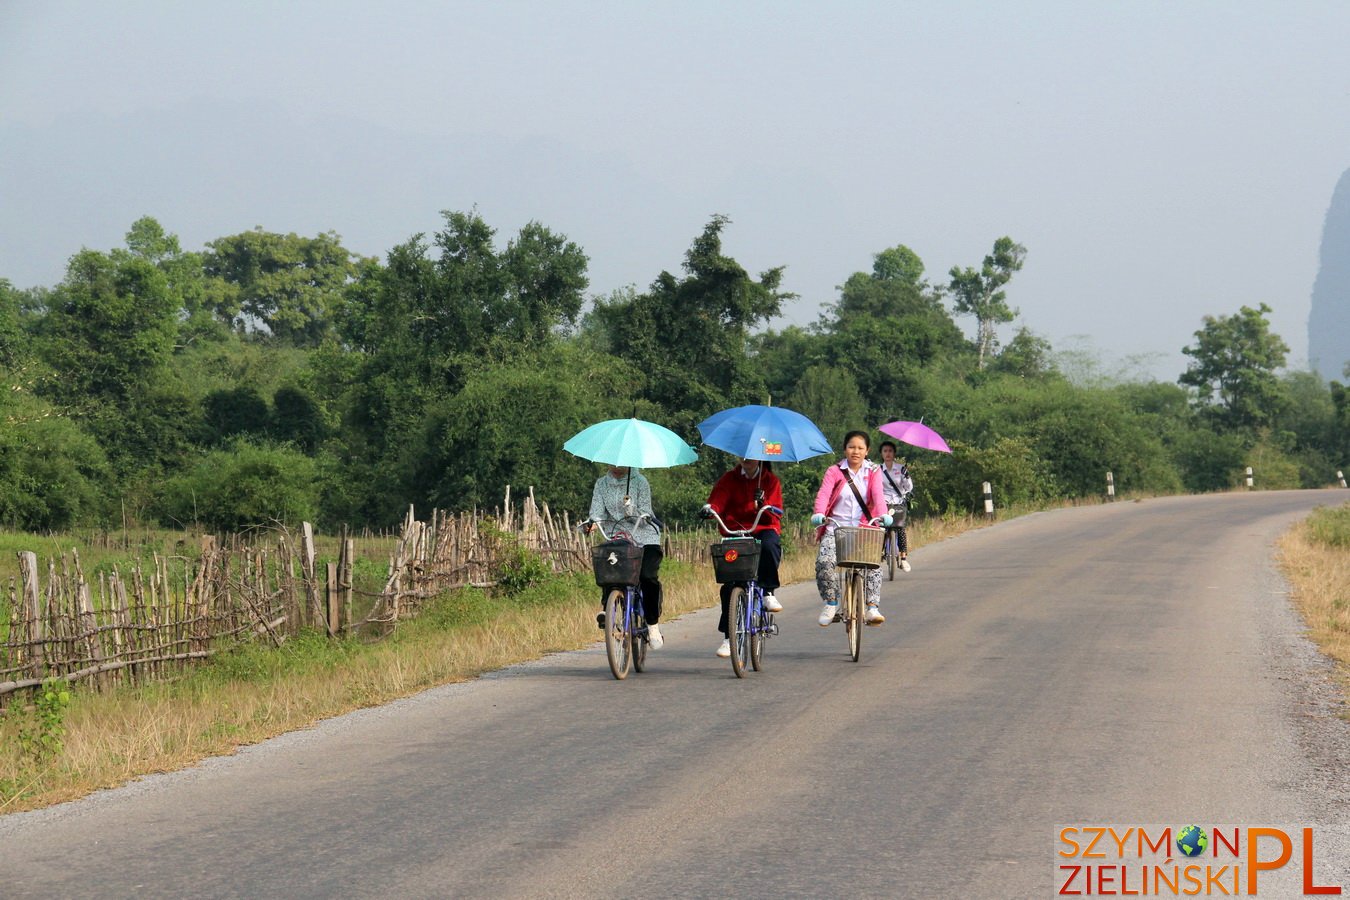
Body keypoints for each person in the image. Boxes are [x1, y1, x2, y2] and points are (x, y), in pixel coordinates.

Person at [703, 457, 784, 659]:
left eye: (751, 455)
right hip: (736, 531)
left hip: (762, 527)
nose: (746, 459)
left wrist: (763, 504)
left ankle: (768, 591)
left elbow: (775, 512)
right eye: (742, 455)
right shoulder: (729, 479)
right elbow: (718, 500)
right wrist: (710, 509)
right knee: (730, 584)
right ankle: (729, 638)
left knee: (769, 545)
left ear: (760, 457)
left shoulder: (770, 481)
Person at [810, 430, 890, 626]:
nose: (856, 451)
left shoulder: (873, 471)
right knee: (824, 562)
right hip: (836, 529)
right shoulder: (834, 471)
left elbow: (878, 496)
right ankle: (831, 602)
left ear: (867, 450)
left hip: (864, 528)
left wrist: (884, 515)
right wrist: (819, 514)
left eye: (860, 448)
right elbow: (823, 495)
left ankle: (872, 607)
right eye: (852, 447)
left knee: (872, 565)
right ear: (845, 449)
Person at [586, 464, 664, 649]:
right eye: (611, 461)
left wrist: (632, 509)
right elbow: (596, 512)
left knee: (647, 577)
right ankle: (608, 609)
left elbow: (646, 513)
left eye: (620, 462)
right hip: (618, 536)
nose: (615, 465)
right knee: (609, 568)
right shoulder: (601, 484)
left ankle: (652, 625)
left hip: (644, 536)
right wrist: (592, 523)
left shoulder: (640, 482)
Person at [878, 440, 914, 572]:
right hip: (883, 503)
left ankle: (903, 558)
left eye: (890, 451)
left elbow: (908, 488)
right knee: (880, 530)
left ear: (894, 453)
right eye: (885, 451)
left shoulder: (901, 469)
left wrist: (907, 476)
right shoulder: (877, 470)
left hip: (898, 502)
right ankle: (878, 553)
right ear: (882, 454)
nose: (888, 453)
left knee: (901, 529)